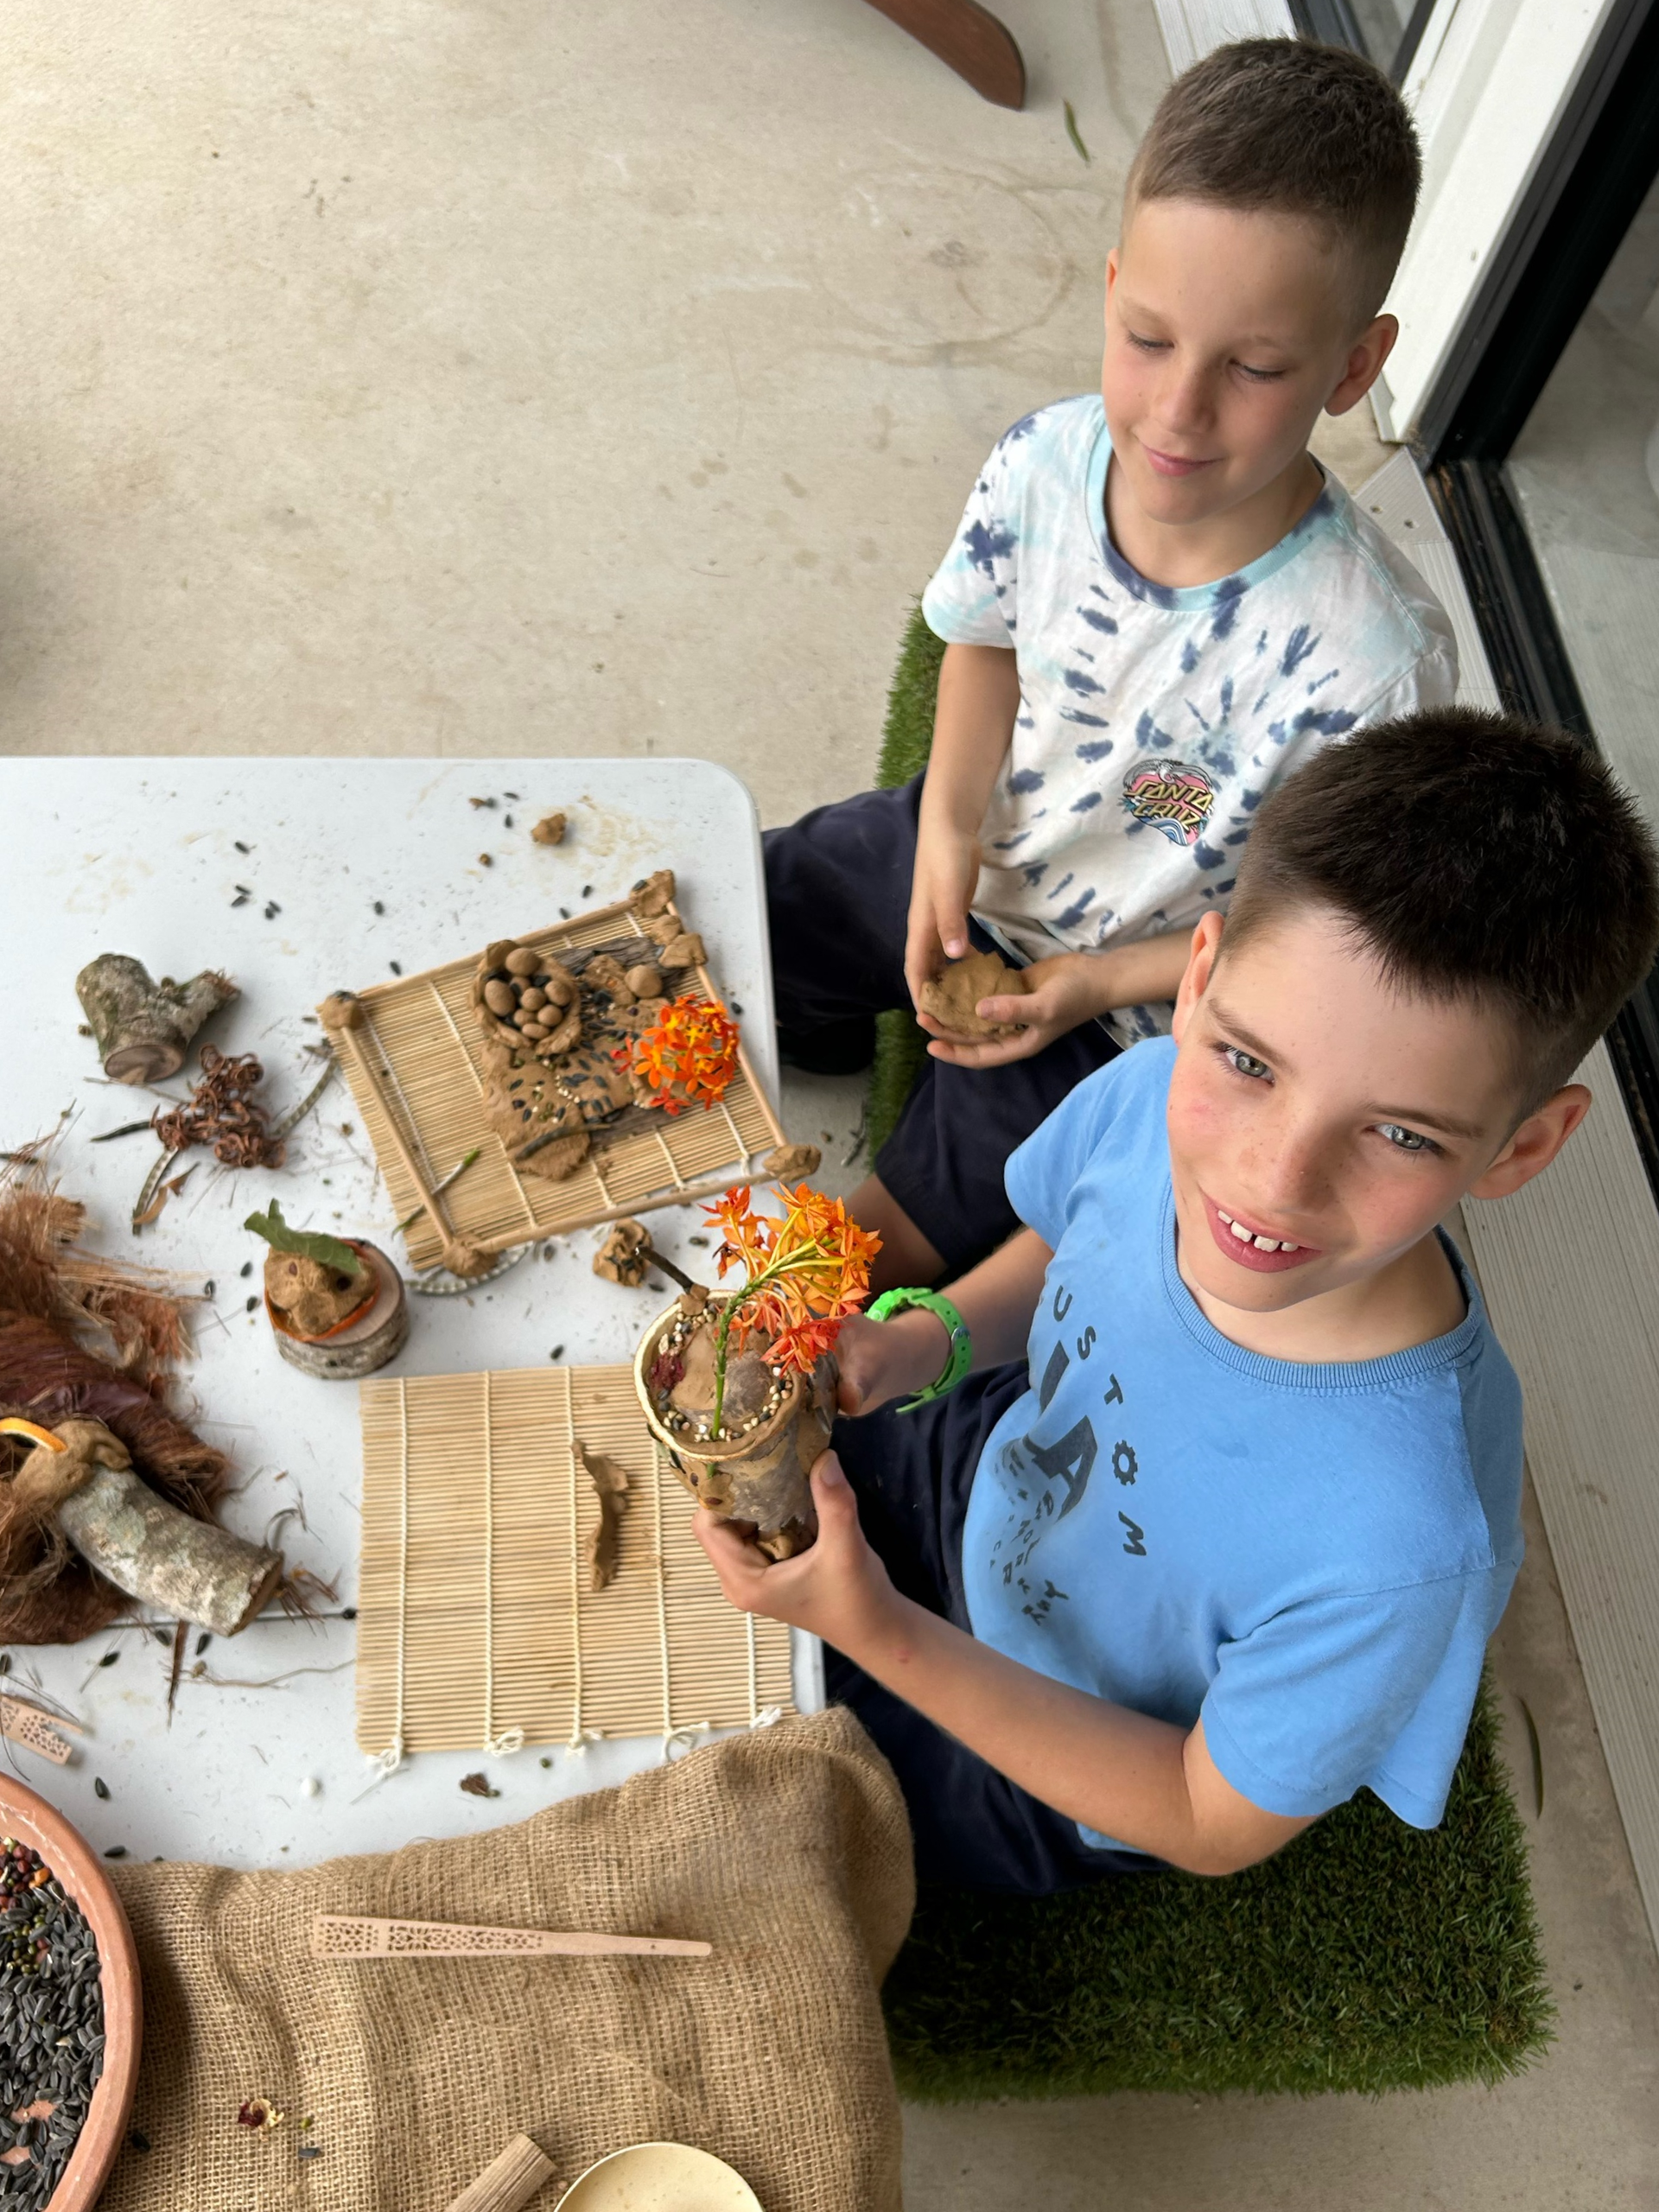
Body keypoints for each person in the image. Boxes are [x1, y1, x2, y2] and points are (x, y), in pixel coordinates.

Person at [702, 712, 1659, 1892]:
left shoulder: (1404, 1543)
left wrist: (878, 1632)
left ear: (1524, 1149)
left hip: (1059, 1755)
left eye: (1400, 1134)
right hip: (982, 1462)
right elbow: (1072, 1243)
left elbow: (1205, 1817)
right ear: (1197, 981)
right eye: (1249, 1065)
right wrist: (924, 1340)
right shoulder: (1147, 1088)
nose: (1271, 1183)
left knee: (728, 1820)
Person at [766, 38, 1454, 1294]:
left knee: (906, 1227)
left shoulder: (1375, 666)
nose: (1178, 412)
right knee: (769, 906)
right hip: (983, 844)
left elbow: (1312, 935)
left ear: (1355, 367)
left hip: (1136, 1001)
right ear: (1112, 287)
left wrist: (1095, 984)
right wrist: (948, 833)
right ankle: (816, 1034)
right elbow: (980, 641)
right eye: (1147, 338)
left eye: (1253, 369)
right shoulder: (1043, 465)